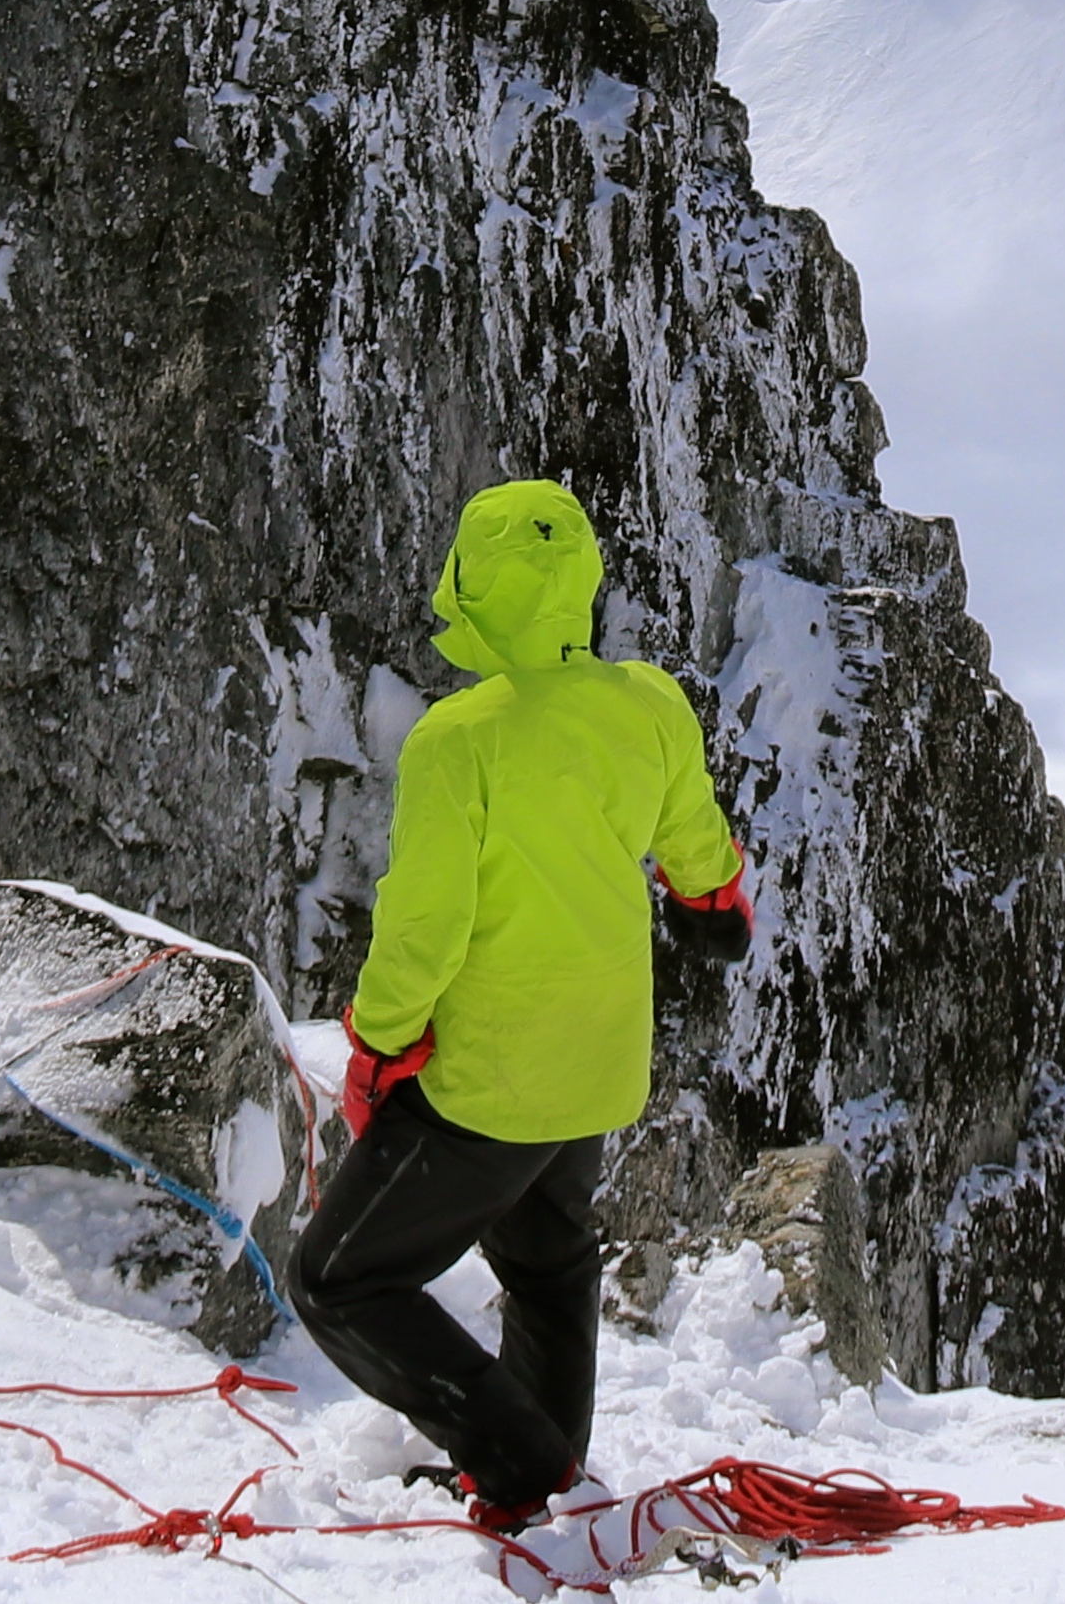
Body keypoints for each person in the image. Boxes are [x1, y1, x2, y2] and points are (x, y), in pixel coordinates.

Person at [290, 477, 753, 1548]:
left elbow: (424, 925)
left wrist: (380, 1043)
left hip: (487, 1077)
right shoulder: (649, 707)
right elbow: (700, 860)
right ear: (580, 580)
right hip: (594, 1066)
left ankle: (521, 1461)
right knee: (547, 1264)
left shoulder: (460, 739)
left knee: (339, 1279)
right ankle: (542, 1485)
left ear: (476, 585)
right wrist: (714, 909)